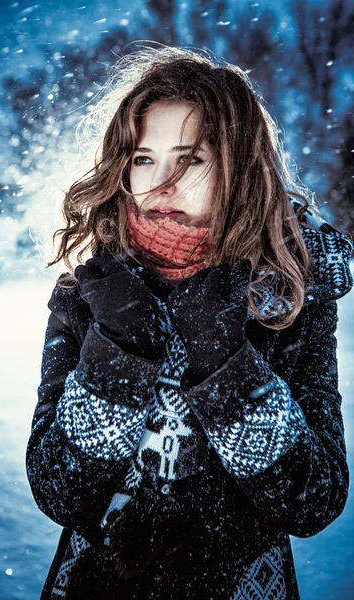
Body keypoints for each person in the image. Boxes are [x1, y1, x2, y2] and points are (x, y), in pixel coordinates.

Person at [26, 46, 353, 600]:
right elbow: (58, 492)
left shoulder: (289, 300)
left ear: (241, 168)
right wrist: (115, 351)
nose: (161, 184)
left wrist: (227, 364)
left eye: (192, 159)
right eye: (143, 158)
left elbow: (313, 500)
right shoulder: (93, 294)